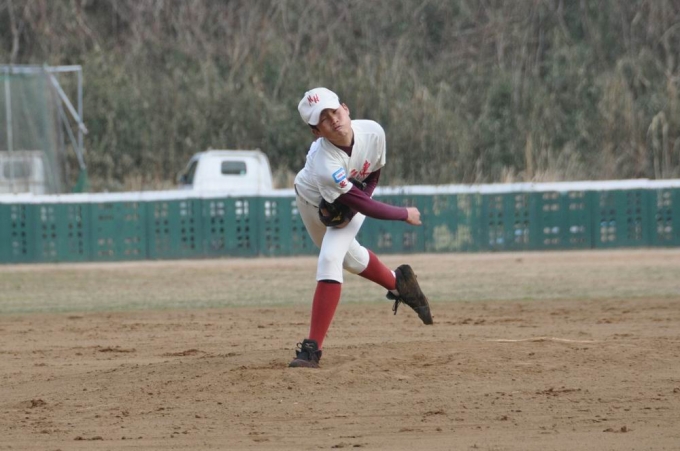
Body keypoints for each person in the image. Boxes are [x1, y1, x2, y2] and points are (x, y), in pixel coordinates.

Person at [289, 87, 433, 368]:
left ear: (346, 108)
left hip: (352, 199)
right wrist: (402, 213)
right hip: (310, 201)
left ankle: (312, 350)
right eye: (323, 119)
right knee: (349, 258)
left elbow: (372, 174)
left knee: (330, 258)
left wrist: (362, 201)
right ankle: (399, 283)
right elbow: (363, 204)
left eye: (334, 111)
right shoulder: (324, 162)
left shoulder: (373, 132)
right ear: (316, 132)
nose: (333, 119)